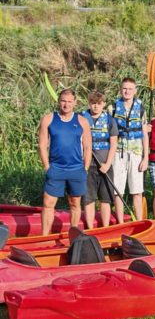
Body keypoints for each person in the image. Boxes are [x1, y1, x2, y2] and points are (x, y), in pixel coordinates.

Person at [38, 89, 92, 235]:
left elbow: (88, 147)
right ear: (58, 101)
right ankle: (44, 238)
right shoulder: (48, 119)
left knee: (74, 203)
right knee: (48, 204)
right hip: (55, 168)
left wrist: (85, 168)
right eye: (63, 101)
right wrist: (47, 167)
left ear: (75, 102)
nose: (66, 105)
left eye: (69, 101)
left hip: (76, 169)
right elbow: (42, 145)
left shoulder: (82, 121)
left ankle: (73, 236)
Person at [111, 77, 148, 223]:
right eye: (124, 88)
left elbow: (145, 134)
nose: (127, 91)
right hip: (117, 153)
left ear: (135, 91)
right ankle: (120, 223)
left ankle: (138, 222)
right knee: (118, 191)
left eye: (130, 89)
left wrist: (146, 158)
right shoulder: (113, 107)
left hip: (136, 153)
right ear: (121, 89)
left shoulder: (141, 108)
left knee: (137, 191)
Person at [82, 90, 118, 229]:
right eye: (92, 103)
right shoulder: (82, 118)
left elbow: (113, 144)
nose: (95, 106)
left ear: (103, 104)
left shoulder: (110, 120)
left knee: (105, 199)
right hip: (87, 165)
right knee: (88, 199)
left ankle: (105, 227)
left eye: (98, 103)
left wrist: (107, 164)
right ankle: (90, 228)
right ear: (89, 103)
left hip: (104, 166)